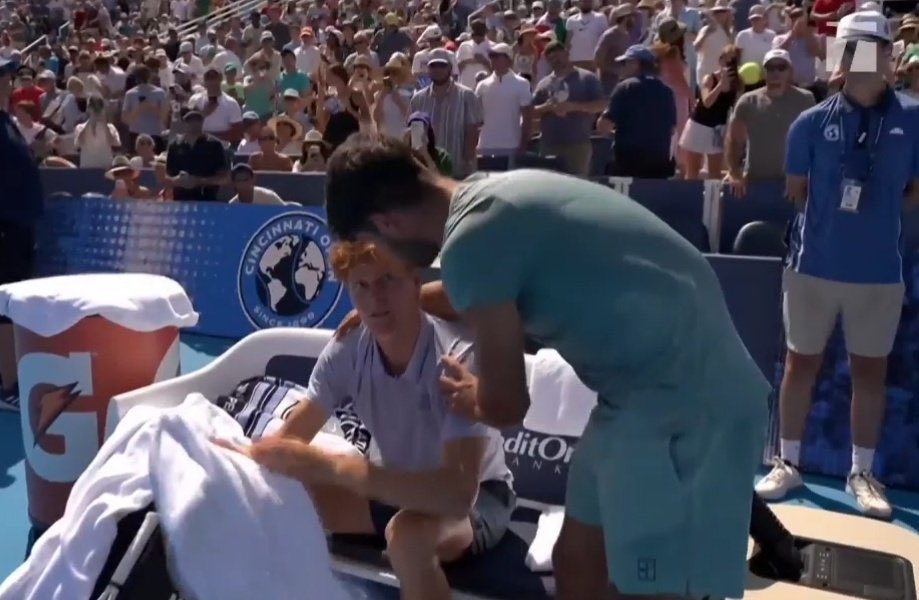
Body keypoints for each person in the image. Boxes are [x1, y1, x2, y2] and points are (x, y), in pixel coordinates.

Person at [322, 131, 769, 600]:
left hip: (683, 401)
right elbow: (479, 287)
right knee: (577, 562)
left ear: (386, 223)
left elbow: (506, 405)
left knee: (647, 587)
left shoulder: (469, 246)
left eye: (374, 249)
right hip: (637, 396)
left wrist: (473, 398)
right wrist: (400, 306)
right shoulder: (488, 196)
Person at [220, 239, 514, 600]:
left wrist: (332, 468)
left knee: (407, 538)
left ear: (416, 282)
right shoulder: (348, 347)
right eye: (361, 284)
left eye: (388, 280)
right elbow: (290, 439)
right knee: (273, 498)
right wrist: (235, 463)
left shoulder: (457, 359)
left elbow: (456, 495)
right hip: (396, 486)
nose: (375, 297)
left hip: (478, 497)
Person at [756, 11, 919, 520]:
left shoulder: (913, 119)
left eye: (871, 47)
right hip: (813, 267)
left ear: (888, 55)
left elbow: (914, 192)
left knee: (870, 374)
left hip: (879, 273)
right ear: (840, 56)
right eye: (851, 48)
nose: (860, 58)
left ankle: (862, 472)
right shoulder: (809, 123)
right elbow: (797, 191)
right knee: (800, 365)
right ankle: (788, 462)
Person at [0, 55, 44, 411]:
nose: (8, 79)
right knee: (4, 307)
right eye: (3, 74)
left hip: (17, 225)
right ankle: (9, 386)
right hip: (5, 226)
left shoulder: (7, 121)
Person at [724, 48, 815, 196]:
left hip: (793, 184)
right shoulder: (747, 101)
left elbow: (814, 141)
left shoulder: (806, 99)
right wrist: (734, 173)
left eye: (781, 67)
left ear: (790, 72)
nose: (775, 72)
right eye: (770, 68)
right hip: (755, 182)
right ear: (764, 72)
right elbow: (734, 140)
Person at [597, 45, 677, 178]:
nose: (622, 67)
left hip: (629, 161)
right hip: (659, 162)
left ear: (636, 64)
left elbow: (604, 126)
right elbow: (672, 129)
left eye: (624, 63)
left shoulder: (625, 87)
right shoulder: (667, 91)